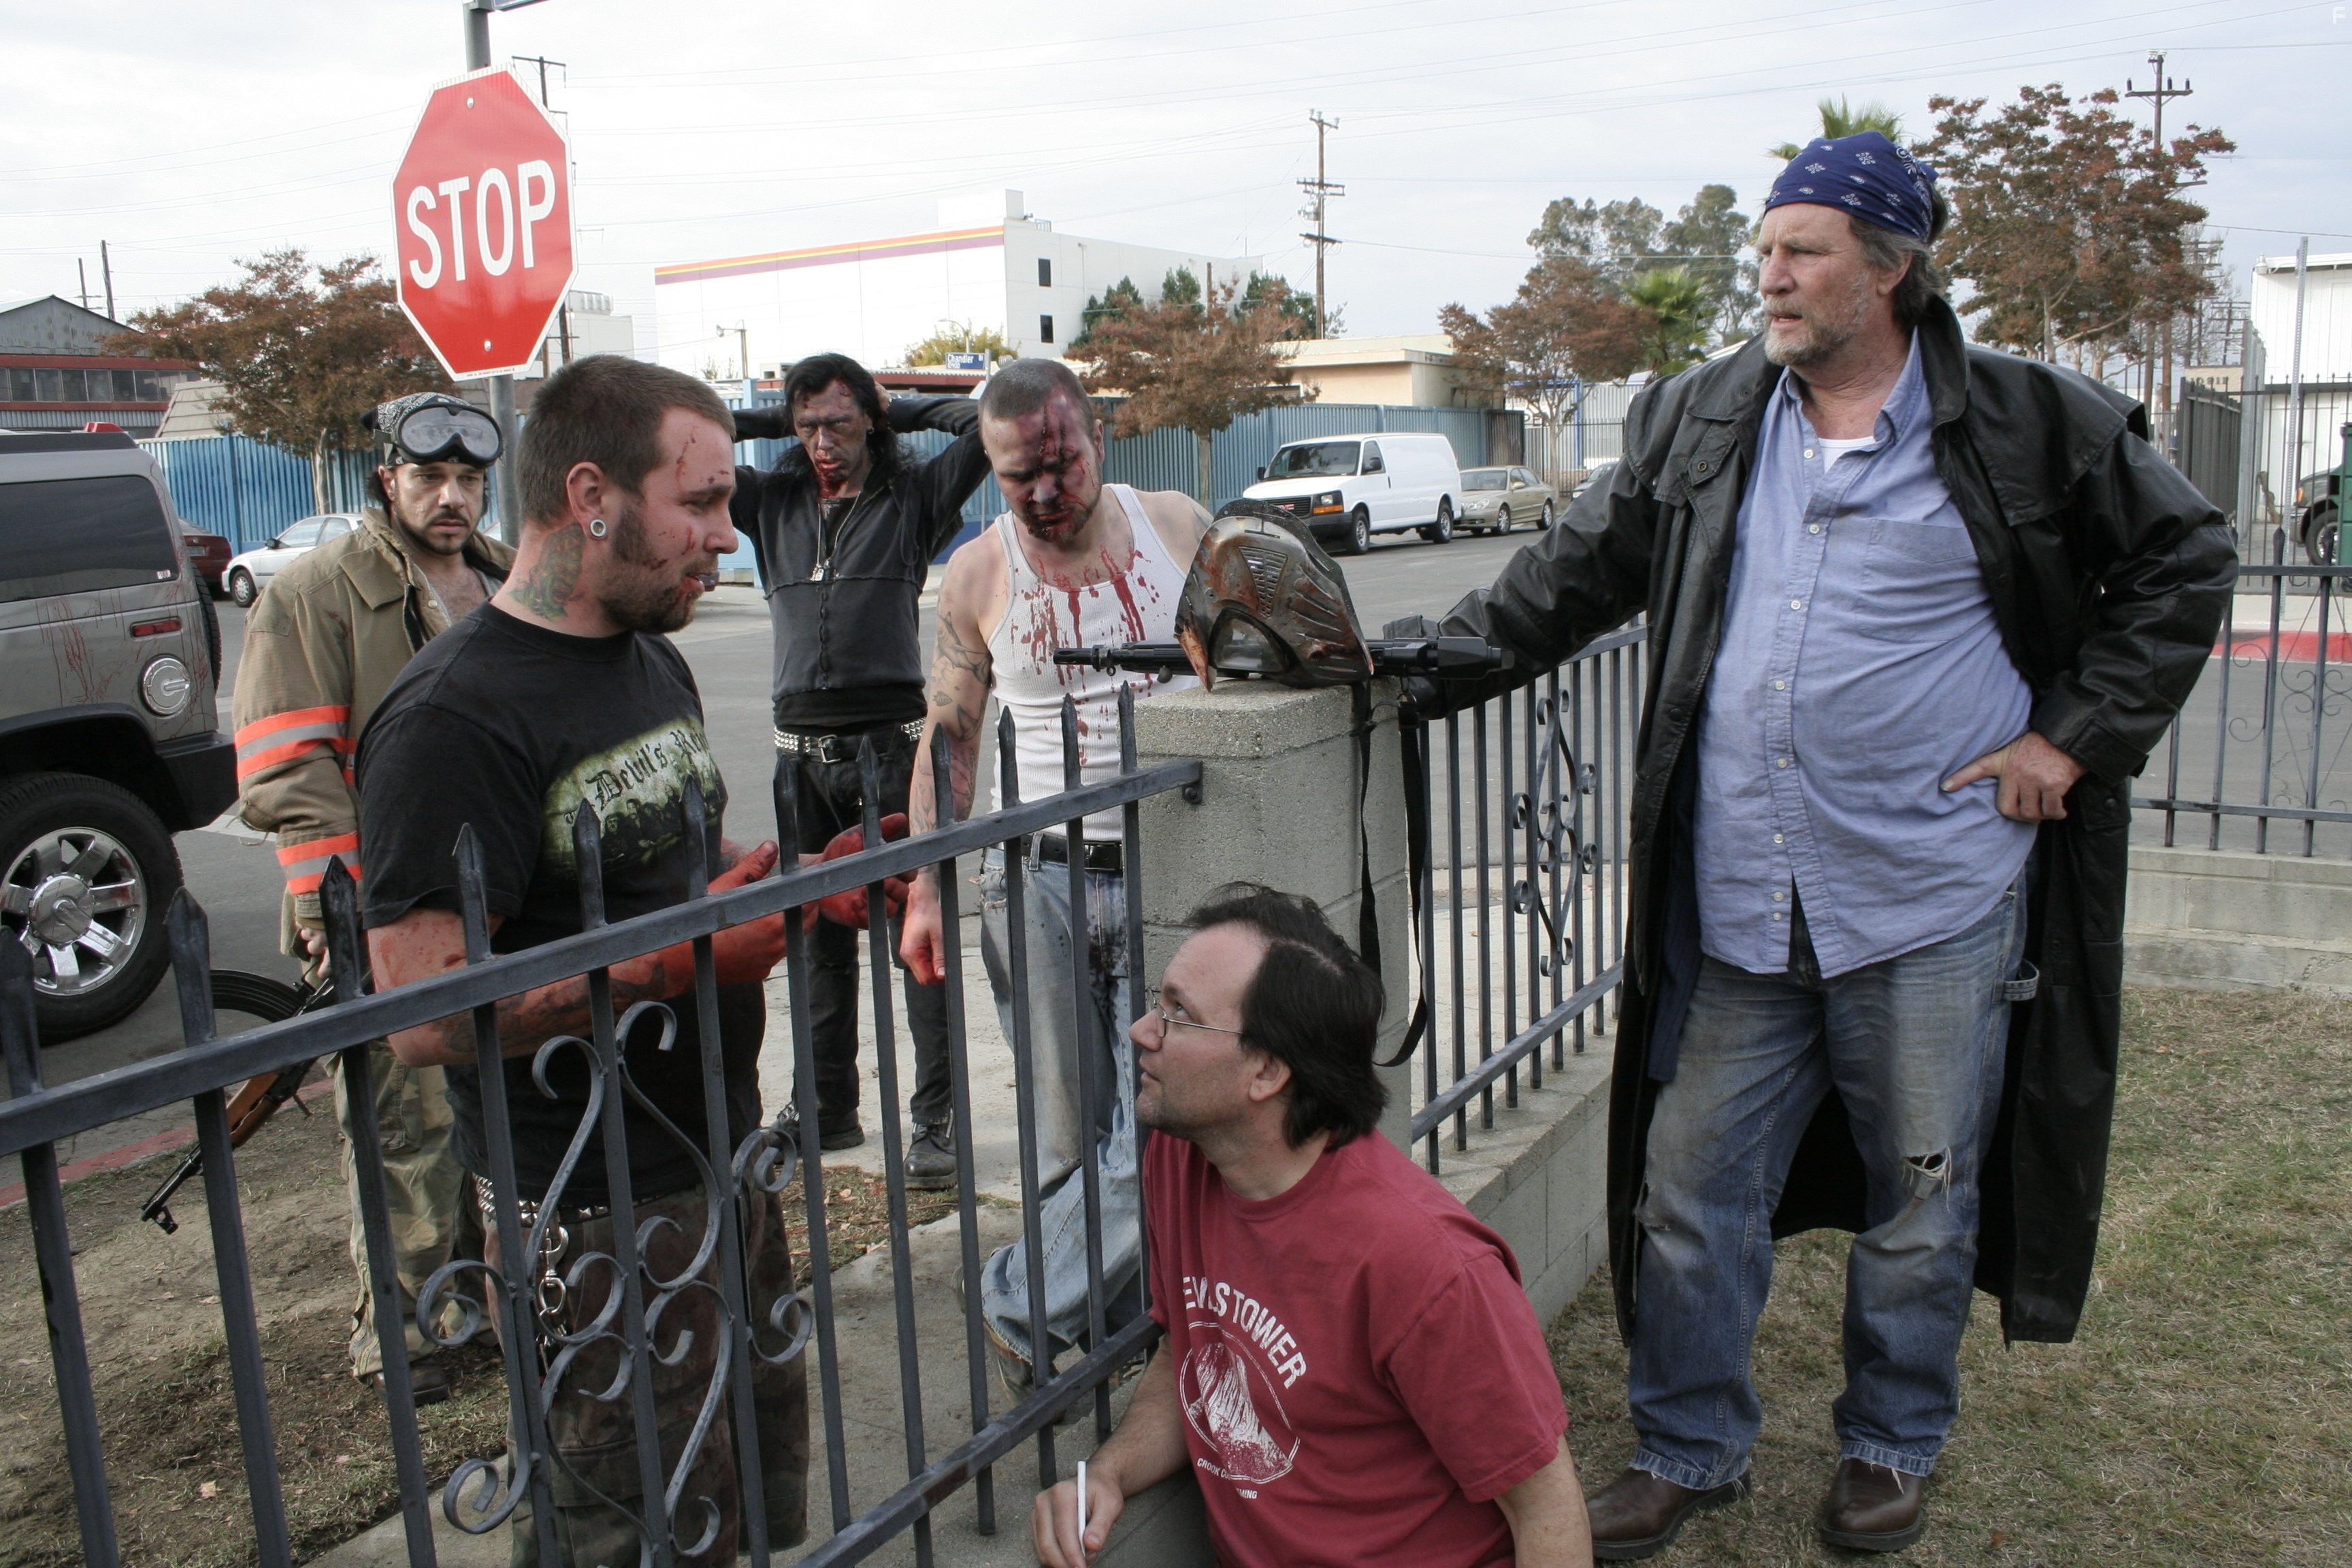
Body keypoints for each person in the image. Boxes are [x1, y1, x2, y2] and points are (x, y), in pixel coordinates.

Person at [1402, 133, 2234, 1557]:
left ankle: (1889, 1442)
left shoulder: (2030, 419)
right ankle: (1687, 1445)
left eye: (1803, 250)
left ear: (1890, 268)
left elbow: (2187, 557)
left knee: (1922, 1191)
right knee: (1688, 1189)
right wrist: (1405, 662)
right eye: (1765, 250)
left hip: (1929, 893)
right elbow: (1569, 575)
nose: (1771, 276)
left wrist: (2070, 738)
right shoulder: (1706, 414)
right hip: (1743, 895)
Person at [358, 355, 808, 1564]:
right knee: (628, 1529)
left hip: (721, 1159)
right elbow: (424, 1014)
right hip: (586, 1210)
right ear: (592, 495)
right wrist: (690, 959)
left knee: (749, 1505)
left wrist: (782, 884)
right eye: (701, 502)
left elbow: (665, 871)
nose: (728, 535)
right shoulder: (450, 720)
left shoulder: (652, 657)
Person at [1031, 885, 1592, 1568]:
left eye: (1180, 1014)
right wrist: (1108, 1475)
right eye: (1159, 1003)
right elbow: (1190, 1355)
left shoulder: (1428, 1267)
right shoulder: (1183, 1160)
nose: (1143, 1031)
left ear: (1266, 1071)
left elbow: (1545, 1509)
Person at [900, 356, 1207, 1394]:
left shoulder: (1175, 527)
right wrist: (927, 888)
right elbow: (951, 732)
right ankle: (1105, 1346)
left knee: (1157, 1122)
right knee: (1067, 1141)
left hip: (1167, 866)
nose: (1042, 491)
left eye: (1060, 463)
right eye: (1016, 474)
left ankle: (1020, 1300)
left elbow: (1246, 664)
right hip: (1037, 884)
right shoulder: (979, 573)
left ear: (1097, 438)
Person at [231, 389, 513, 1402]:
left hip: (499, 896)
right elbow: (285, 768)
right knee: (405, 1127)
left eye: (468, 479)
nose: (451, 498)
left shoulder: (505, 578)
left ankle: (488, 1303)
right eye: (429, 477)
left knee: (494, 1112)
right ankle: (406, 1338)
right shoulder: (315, 593)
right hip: (385, 906)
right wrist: (335, 910)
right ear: (387, 480)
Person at [729, 354, 990, 1186]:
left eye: (838, 424)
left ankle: (935, 1122)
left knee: (919, 937)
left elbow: (985, 424)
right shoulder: (770, 502)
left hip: (892, 751)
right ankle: (826, 1108)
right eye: (806, 426)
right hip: (798, 759)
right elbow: (680, 437)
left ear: (869, 424)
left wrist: (892, 406)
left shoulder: (912, 498)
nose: (821, 443)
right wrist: (772, 416)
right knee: (817, 941)